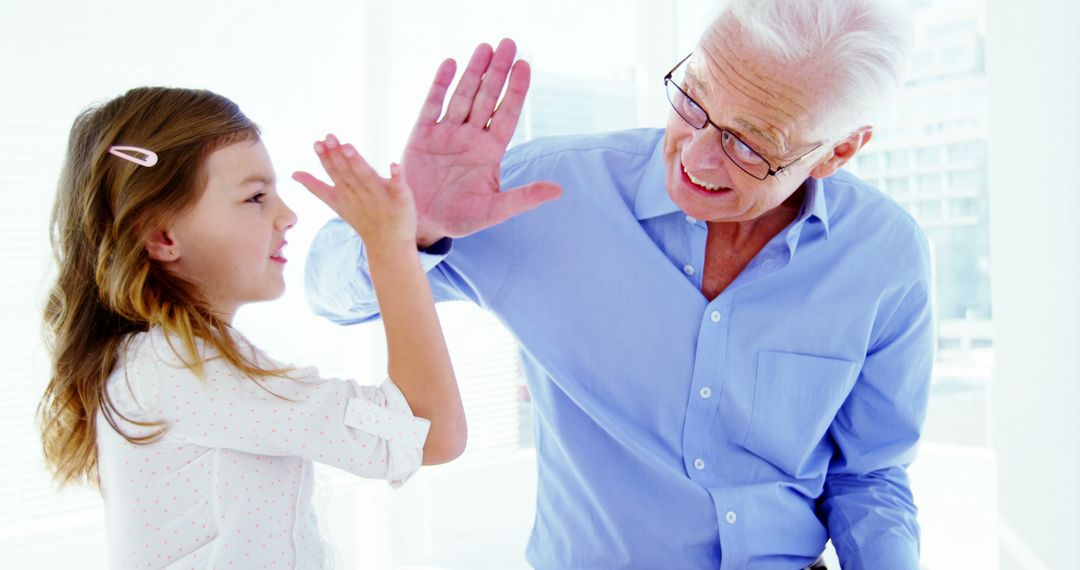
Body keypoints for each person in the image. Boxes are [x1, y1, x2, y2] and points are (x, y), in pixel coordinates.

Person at [306, 0, 930, 567]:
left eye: (749, 144)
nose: (697, 156)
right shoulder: (551, 192)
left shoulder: (884, 255)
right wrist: (412, 227)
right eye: (693, 100)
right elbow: (326, 290)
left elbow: (870, 475)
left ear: (836, 153)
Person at [37, 86, 467, 569]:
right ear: (161, 235)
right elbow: (426, 434)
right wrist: (389, 245)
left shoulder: (164, 362)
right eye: (256, 197)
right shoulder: (182, 368)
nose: (287, 216)